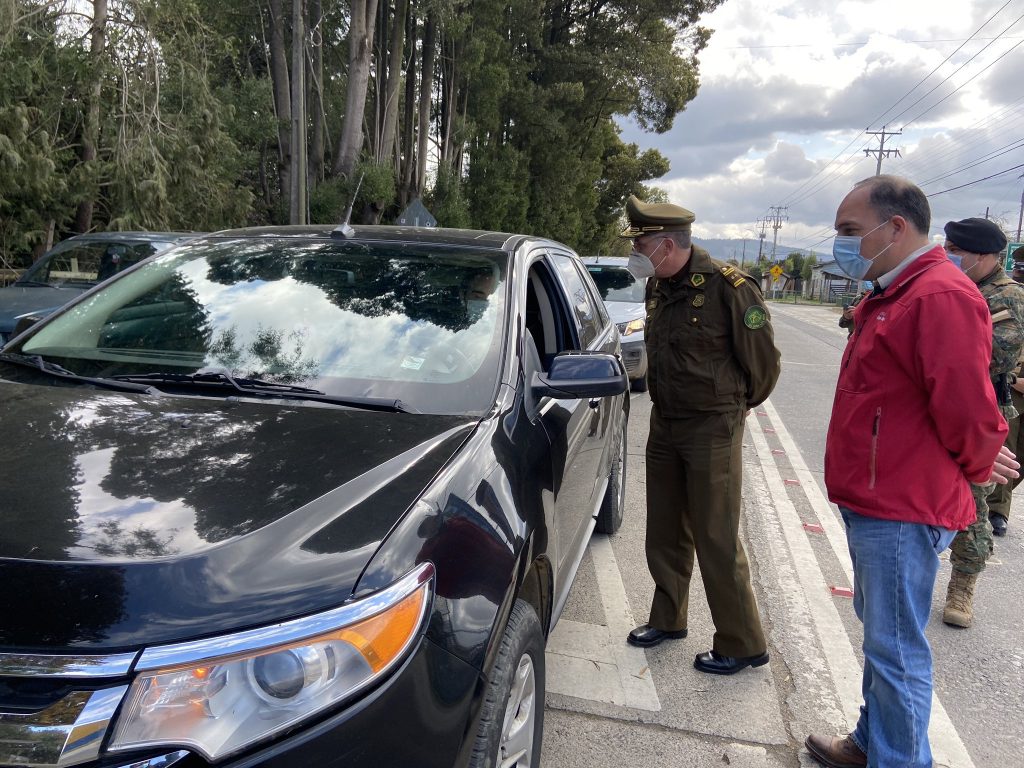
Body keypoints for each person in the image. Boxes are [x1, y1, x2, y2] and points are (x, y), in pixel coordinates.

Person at [805, 176, 1017, 768]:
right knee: (882, 637)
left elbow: (966, 408)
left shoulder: (937, 296)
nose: (844, 244)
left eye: (851, 231)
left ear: (895, 227)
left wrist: (980, 457)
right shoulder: (895, 290)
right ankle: (873, 743)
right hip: (879, 497)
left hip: (902, 503)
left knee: (896, 650)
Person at [620, 195, 781, 676]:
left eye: (642, 243)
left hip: (712, 427)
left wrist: (729, 409)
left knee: (716, 535)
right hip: (666, 421)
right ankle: (668, 619)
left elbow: (763, 367)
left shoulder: (730, 288)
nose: (637, 252)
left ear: (667, 244)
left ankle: (742, 641)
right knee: (665, 530)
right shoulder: (660, 285)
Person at [941, 218, 1024, 627]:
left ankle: (963, 586)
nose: (948, 254)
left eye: (957, 249)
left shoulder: (1009, 296)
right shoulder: (952, 287)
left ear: (985, 256)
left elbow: (994, 357)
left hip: (983, 414)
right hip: (939, 407)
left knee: (972, 503)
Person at [988, 245, 1024, 537]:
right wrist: (1012, 380)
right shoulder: (1007, 299)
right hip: (1012, 390)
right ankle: (997, 510)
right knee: (1006, 450)